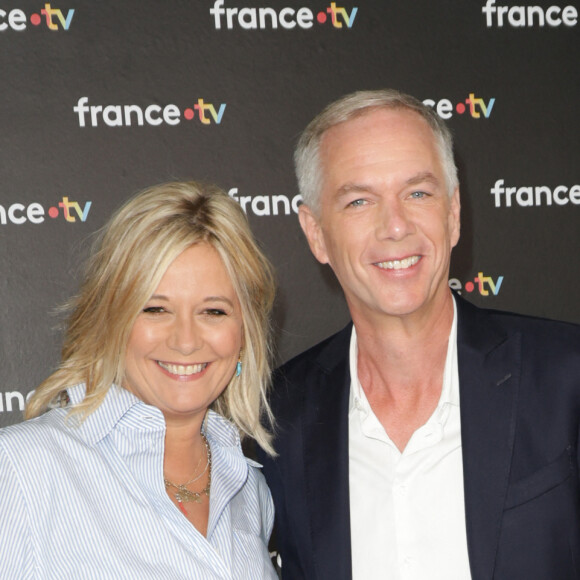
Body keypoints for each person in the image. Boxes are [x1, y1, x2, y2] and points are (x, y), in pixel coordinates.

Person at [258, 90, 580, 579]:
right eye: (359, 200)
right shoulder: (276, 421)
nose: (395, 226)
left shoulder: (566, 377)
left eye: (417, 193)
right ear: (315, 232)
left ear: (453, 214)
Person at [0, 181, 279, 579]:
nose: (185, 341)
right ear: (111, 318)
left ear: (244, 333)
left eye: (213, 312)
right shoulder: (20, 469)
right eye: (155, 309)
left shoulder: (249, 488)